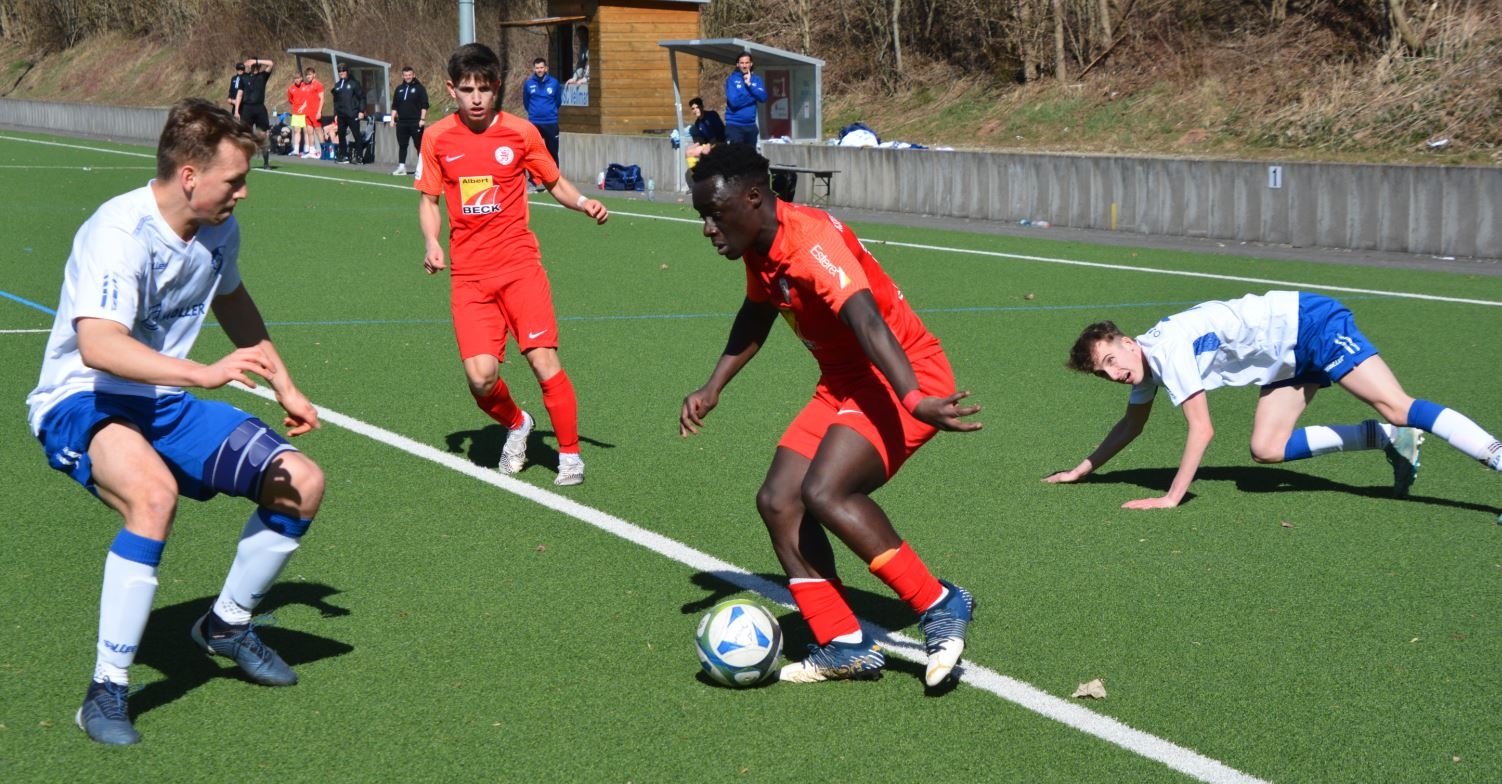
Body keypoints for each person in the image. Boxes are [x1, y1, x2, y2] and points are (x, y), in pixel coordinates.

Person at [26, 98, 326, 745]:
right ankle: (105, 690)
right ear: (189, 175)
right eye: (234, 180)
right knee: (154, 497)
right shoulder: (119, 232)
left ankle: (226, 624)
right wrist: (202, 373)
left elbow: (233, 299)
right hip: (84, 399)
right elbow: (99, 345)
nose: (243, 193)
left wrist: (287, 386)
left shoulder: (218, 230)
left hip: (162, 400)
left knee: (300, 483)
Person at [679, 144, 982, 687]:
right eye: (703, 215)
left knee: (825, 491)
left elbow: (869, 323)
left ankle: (939, 603)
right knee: (779, 501)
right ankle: (843, 643)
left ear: (754, 197)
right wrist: (713, 385)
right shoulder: (758, 244)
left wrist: (914, 398)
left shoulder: (811, 242)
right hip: (844, 383)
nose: (708, 228)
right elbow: (756, 312)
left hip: (902, 373)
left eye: (715, 214)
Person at [1044, 291, 1502, 514]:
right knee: (1267, 448)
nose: (1114, 375)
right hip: (1286, 359)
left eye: (1111, 361)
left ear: (1127, 343)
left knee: (1397, 404)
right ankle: (1388, 439)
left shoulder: (1165, 350)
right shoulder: (1145, 364)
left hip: (1311, 325)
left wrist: (1171, 497)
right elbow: (1131, 425)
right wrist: (1081, 470)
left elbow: (1202, 429)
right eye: (1103, 373)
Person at [416, 42, 609, 487]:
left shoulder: (521, 133)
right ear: (451, 89)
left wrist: (584, 202)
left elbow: (554, 181)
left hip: (519, 267)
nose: (476, 98)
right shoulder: (437, 137)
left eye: (484, 89)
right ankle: (518, 423)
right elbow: (428, 200)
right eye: (467, 90)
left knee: (544, 360)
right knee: (481, 378)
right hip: (469, 276)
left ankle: (570, 456)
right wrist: (431, 242)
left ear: (497, 87)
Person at [389, 65, 428, 176]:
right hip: (402, 122)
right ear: (403, 76)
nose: (408, 77)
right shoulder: (399, 89)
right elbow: (395, 106)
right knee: (402, 145)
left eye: (410, 75)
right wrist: (392, 119)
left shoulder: (420, 88)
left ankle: (422, 168)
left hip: (415, 122)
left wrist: (422, 119)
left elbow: (424, 105)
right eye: (406, 75)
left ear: (413, 75)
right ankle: (401, 167)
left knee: (419, 145)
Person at [722, 52, 767, 146]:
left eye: (747, 63)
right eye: (742, 63)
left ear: (751, 64)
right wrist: (754, 95)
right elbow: (734, 102)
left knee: (750, 154)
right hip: (734, 125)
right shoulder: (732, 80)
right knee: (735, 154)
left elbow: (763, 98)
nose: (744, 65)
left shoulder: (756, 79)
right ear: (737, 64)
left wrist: (750, 85)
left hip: (751, 126)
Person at [237, 57, 275, 168]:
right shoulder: (244, 77)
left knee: (263, 135)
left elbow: (271, 63)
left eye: (256, 65)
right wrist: (237, 111)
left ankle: (266, 162)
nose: (255, 67)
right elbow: (239, 94)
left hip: (259, 108)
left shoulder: (263, 76)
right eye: (253, 65)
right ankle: (243, 161)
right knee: (245, 135)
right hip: (247, 109)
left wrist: (257, 61)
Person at [331, 64, 365, 164]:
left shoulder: (354, 83)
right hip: (341, 114)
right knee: (341, 135)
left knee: (356, 135)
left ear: (347, 71)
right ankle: (344, 155)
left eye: (343, 71)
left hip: (352, 113)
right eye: (340, 71)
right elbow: (336, 101)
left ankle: (359, 157)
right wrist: (335, 114)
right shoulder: (337, 85)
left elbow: (362, 97)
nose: (341, 73)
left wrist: (361, 111)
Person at [684, 96, 724, 167]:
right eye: (693, 108)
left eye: (697, 107)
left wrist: (709, 144)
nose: (695, 110)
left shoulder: (712, 115)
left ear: (702, 107)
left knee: (706, 153)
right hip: (709, 145)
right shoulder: (697, 123)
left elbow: (720, 133)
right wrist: (695, 146)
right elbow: (701, 140)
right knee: (689, 153)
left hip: (720, 142)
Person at [301, 67, 325, 159]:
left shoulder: (318, 85)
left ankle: (323, 152)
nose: (308, 76)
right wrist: (302, 107)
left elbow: (322, 99)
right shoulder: (307, 85)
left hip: (315, 112)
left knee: (319, 131)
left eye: (310, 74)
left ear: (314, 75)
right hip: (308, 112)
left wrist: (319, 112)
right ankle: (312, 151)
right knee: (309, 132)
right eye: (307, 75)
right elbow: (307, 99)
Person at [285, 71, 310, 158]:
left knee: (306, 131)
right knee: (297, 131)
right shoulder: (291, 88)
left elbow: (309, 98)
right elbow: (290, 100)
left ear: (301, 78)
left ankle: (307, 149)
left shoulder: (306, 86)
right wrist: (297, 106)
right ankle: (296, 149)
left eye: (298, 78)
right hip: (296, 112)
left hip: (305, 112)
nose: (297, 80)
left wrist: (303, 106)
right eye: (295, 78)